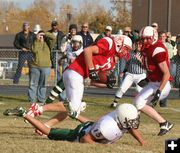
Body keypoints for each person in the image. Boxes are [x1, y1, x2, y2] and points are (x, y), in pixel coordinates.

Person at [29, 34, 132, 119]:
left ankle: (47, 126)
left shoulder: (111, 63)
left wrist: (107, 84)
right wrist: (91, 69)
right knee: (73, 107)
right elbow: (87, 51)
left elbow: (93, 81)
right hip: (75, 71)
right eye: (126, 49)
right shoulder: (109, 43)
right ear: (119, 42)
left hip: (78, 76)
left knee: (72, 110)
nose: (126, 52)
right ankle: (39, 108)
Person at [21, 103, 144, 145]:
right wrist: (103, 147)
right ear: (121, 118)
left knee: (94, 126)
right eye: (130, 120)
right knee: (49, 132)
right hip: (79, 134)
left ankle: (74, 114)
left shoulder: (118, 119)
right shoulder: (108, 127)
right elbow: (86, 139)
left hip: (91, 126)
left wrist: (142, 142)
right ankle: (25, 114)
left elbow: (131, 128)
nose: (133, 123)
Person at [134, 26, 173, 136]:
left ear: (154, 37)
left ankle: (164, 123)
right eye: (143, 39)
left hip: (162, 84)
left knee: (139, 103)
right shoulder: (147, 47)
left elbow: (166, 74)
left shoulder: (157, 50)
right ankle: (163, 123)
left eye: (147, 38)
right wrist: (147, 79)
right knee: (137, 101)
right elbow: (151, 67)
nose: (144, 41)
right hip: (153, 82)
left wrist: (159, 91)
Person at [45, 35, 84, 104]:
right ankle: (48, 102)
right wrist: (62, 58)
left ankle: (76, 104)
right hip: (69, 72)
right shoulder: (69, 48)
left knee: (73, 93)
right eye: (74, 42)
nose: (75, 44)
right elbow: (64, 49)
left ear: (81, 43)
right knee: (58, 88)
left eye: (77, 43)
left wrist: (76, 61)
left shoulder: (81, 53)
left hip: (76, 75)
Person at [111, 39, 146, 108]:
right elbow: (128, 64)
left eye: (140, 44)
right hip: (130, 74)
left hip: (141, 75)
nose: (138, 45)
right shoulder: (131, 53)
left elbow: (146, 66)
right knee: (122, 88)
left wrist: (140, 60)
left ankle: (140, 105)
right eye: (137, 44)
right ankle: (114, 103)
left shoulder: (144, 54)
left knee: (140, 90)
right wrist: (124, 72)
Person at [28, 30, 56, 103]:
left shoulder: (49, 43)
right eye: (40, 35)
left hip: (46, 67)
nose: (41, 37)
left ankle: (41, 99)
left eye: (42, 36)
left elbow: (53, 38)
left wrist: (45, 33)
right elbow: (34, 50)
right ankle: (32, 99)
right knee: (33, 84)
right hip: (34, 66)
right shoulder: (35, 42)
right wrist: (37, 40)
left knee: (43, 84)